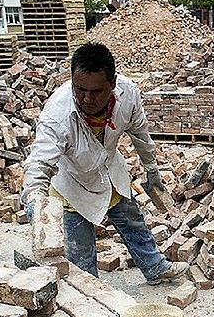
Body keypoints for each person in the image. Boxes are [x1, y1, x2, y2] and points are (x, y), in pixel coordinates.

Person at [21, 42, 189, 284]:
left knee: (133, 222)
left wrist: (151, 167)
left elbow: (140, 133)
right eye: (79, 89)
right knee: (81, 256)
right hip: (72, 186)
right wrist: (35, 199)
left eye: (96, 91)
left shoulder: (128, 94)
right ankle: (90, 294)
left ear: (113, 83)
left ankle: (154, 267)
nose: (87, 99)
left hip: (110, 172)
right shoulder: (58, 114)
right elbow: (39, 161)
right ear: (71, 81)